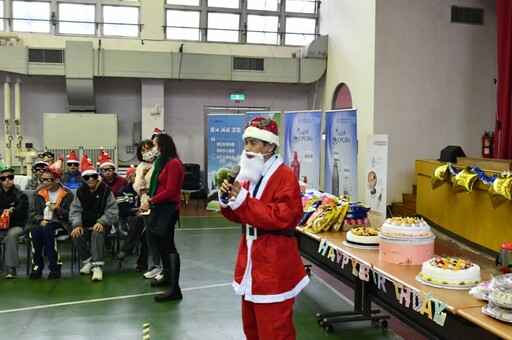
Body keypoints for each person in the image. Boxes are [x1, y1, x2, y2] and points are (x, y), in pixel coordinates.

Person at [219, 117, 309, 339]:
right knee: (251, 327)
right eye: (246, 142)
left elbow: (283, 217)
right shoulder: (249, 174)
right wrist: (227, 198)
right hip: (250, 259)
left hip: (273, 262)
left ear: (270, 145)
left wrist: (243, 200)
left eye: (253, 143)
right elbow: (242, 215)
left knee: (275, 330)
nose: (247, 149)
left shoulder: (285, 176)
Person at [140, 133, 184, 302]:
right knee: (159, 243)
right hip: (159, 208)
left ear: (164, 145)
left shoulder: (174, 164)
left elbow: (171, 191)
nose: (153, 149)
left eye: (156, 145)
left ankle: (175, 287)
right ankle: (166, 277)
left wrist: (151, 200)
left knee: (168, 246)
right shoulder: (162, 162)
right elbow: (159, 185)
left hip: (168, 208)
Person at [69, 155, 119, 281]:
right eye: (87, 177)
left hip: (104, 225)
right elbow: (75, 210)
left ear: (98, 177)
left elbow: (113, 210)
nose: (90, 179)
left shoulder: (107, 191)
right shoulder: (80, 192)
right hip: (85, 225)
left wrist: (102, 222)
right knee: (75, 233)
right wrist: (77, 225)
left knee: (97, 232)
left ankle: (97, 266)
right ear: (83, 179)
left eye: (94, 176)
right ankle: (88, 261)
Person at [29, 158, 74, 280]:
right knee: (35, 231)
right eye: (43, 179)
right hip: (43, 222)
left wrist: (58, 209)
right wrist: (40, 220)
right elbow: (34, 212)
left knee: (49, 230)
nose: (45, 182)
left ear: (57, 180)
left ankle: (55, 266)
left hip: (61, 223)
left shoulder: (67, 194)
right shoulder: (38, 192)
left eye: (49, 180)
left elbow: (71, 214)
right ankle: (37, 266)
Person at [133, 139, 162, 280]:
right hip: (146, 207)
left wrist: (150, 189)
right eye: (142, 151)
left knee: (163, 238)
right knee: (151, 239)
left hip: (160, 206)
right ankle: (157, 266)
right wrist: (143, 176)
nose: (146, 153)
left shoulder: (161, 163)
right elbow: (137, 187)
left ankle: (165, 267)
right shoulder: (140, 167)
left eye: (148, 148)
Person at [115, 166, 148, 272]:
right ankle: (142, 264)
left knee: (144, 232)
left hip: (146, 217)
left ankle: (126, 250)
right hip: (129, 219)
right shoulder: (123, 191)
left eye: (139, 175)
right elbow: (122, 209)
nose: (138, 177)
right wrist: (136, 210)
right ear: (129, 178)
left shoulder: (146, 189)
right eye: (135, 176)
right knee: (142, 230)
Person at [0, 160, 29, 279]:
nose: (7, 180)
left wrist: (12, 212)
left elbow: (22, 213)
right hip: (1, 225)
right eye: (4, 178)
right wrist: (4, 211)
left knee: (11, 236)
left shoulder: (21, 195)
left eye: (10, 177)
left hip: (16, 225)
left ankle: (11, 268)